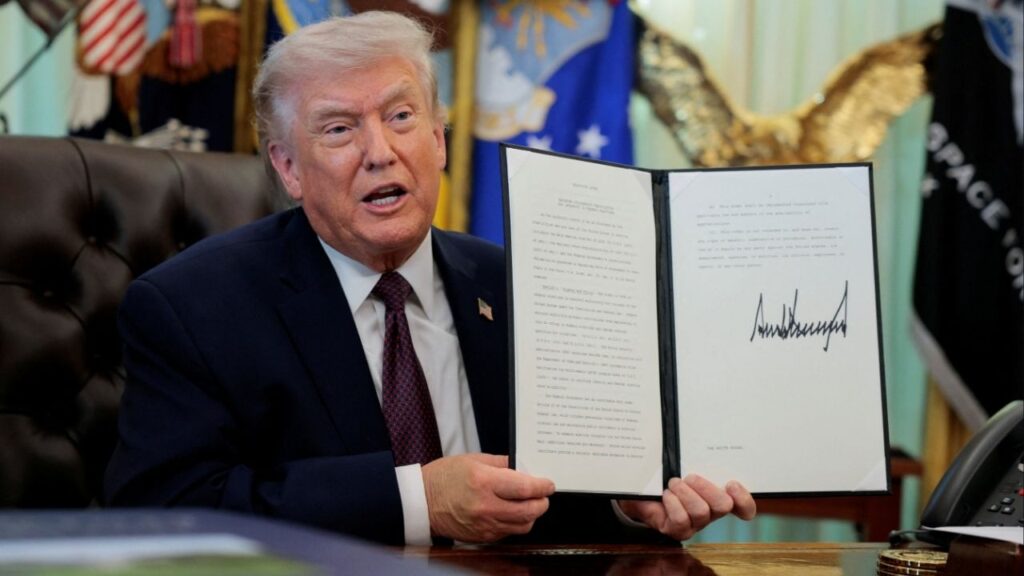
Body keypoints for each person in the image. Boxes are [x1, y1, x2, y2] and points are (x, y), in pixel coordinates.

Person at [104, 11, 756, 546]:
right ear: (288, 167)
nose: (380, 152)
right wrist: (419, 501)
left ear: (439, 140)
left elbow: (546, 503)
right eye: (339, 128)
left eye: (401, 117)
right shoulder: (194, 308)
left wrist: (625, 506)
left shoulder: (522, 288)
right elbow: (162, 513)